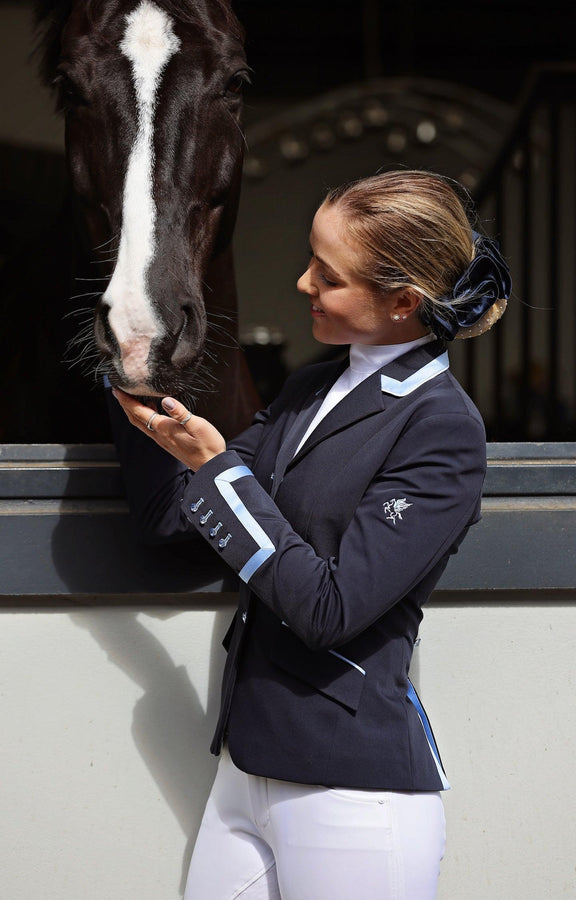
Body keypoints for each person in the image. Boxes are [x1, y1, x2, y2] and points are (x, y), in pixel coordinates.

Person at [110, 170, 511, 899]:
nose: (302, 283)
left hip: (351, 792)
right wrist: (138, 374)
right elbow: (171, 517)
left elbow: (329, 609)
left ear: (402, 303)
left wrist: (217, 467)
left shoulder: (443, 430)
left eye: (327, 276)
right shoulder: (308, 391)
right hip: (246, 765)